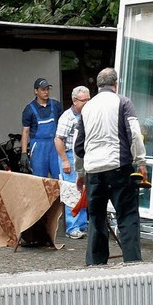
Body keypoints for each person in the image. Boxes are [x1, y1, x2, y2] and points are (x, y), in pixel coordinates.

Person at [74, 68, 147, 264]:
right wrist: (141, 161)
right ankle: (132, 263)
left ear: (97, 86)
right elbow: (134, 133)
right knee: (127, 216)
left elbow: (78, 146)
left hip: (94, 172)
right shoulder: (123, 102)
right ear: (116, 84)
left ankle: (96, 265)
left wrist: (80, 173)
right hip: (119, 168)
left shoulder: (86, 108)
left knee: (96, 219)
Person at [54, 85, 91, 239]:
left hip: (83, 156)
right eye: (84, 101)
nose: (88, 103)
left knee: (83, 190)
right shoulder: (67, 117)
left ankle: (82, 225)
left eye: (89, 99)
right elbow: (58, 139)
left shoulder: (87, 114)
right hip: (69, 155)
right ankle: (72, 227)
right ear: (75, 101)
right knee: (72, 191)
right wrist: (64, 161)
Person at [20, 78, 62, 179]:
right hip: (38, 148)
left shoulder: (55, 105)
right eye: (43, 89)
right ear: (36, 91)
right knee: (39, 181)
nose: (46, 92)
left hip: (55, 146)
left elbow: (63, 125)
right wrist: (24, 153)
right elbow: (25, 132)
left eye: (47, 89)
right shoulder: (29, 109)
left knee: (60, 178)